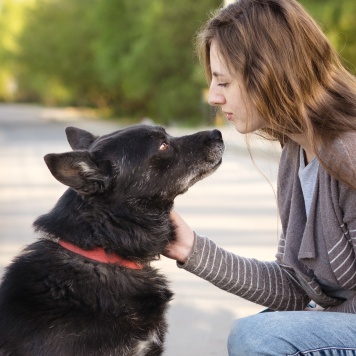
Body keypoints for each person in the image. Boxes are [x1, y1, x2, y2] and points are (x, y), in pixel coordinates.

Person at [165, 0, 356, 354]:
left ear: (270, 73)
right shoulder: (296, 154)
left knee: (261, 336)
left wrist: (315, 315)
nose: (212, 96)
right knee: (268, 327)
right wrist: (190, 248)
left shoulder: (348, 154)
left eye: (223, 81)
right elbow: (296, 288)